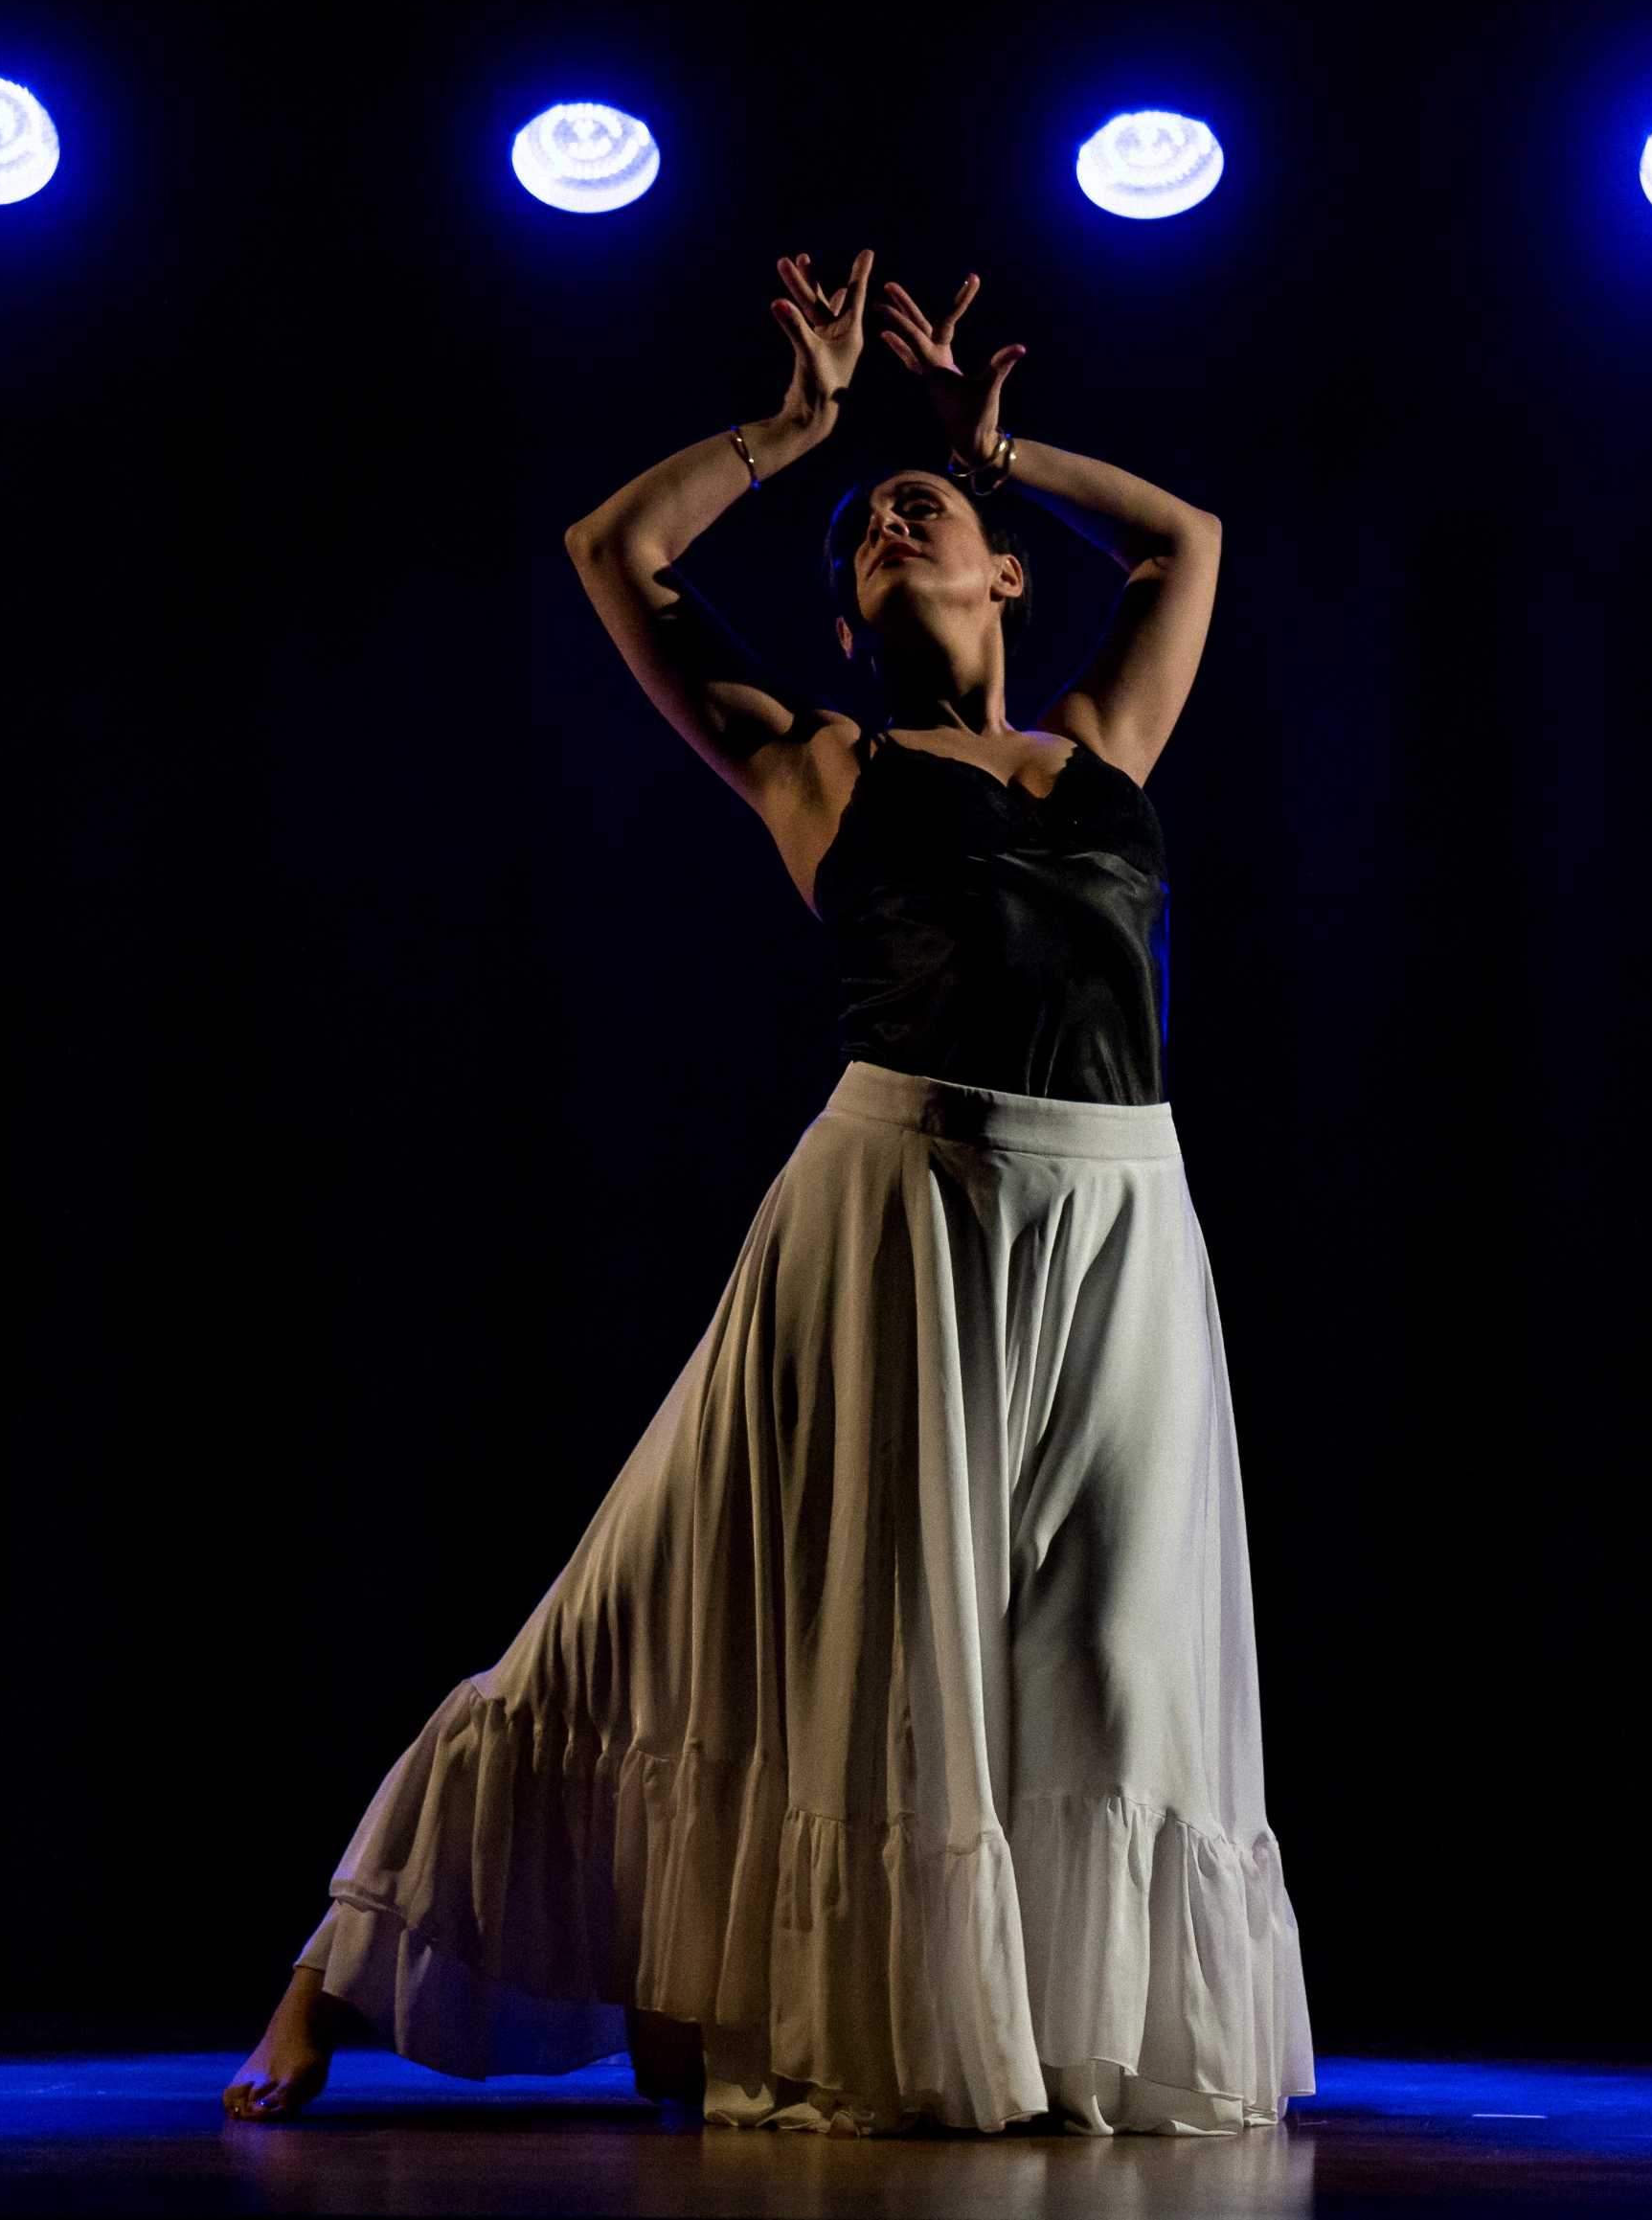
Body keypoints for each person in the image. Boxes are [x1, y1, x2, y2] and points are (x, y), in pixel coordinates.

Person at [224, 247, 1313, 2136]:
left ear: (1006, 571)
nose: (893, 519)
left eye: (930, 511)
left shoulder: (1106, 747)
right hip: (898, 1218)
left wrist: (999, 440)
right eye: (865, 530)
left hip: (1126, 1227)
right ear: (846, 624)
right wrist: (786, 431)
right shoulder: (821, 760)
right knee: (674, 1596)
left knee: (1107, 1655)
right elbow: (613, 554)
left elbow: (1193, 539)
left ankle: (1053, 2015)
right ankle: (333, 1968)